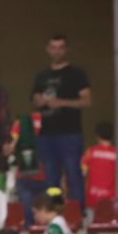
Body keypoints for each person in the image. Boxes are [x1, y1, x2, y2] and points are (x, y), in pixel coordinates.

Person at [32, 33, 91, 199]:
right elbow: (34, 99)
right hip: (47, 134)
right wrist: (39, 101)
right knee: (50, 180)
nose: (57, 51)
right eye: (53, 48)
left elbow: (86, 100)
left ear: (66, 50)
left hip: (70, 133)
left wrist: (61, 103)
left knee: (73, 176)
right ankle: (54, 213)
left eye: (60, 48)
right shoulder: (42, 76)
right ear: (48, 50)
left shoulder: (76, 73)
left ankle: (77, 215)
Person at [80, 121, 116, 208]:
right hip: (111, 195)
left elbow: (83, 172)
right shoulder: (116, 153)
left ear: (98, 136)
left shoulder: (90, 152)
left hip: (92, 196)